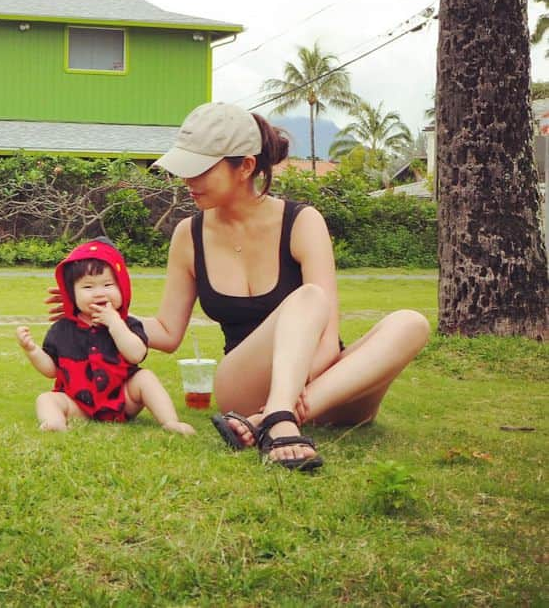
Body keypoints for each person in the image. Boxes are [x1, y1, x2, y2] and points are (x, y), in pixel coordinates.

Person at [49, 102, 429, 470]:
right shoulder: (189, 235)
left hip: (333, 387)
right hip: (244, 388)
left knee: (410, 322)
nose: (187, 182)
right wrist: (100, 311)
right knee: (310, 298)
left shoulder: (302, 222)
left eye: (199, 170)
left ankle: (269, 420)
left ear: (245, 166)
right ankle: (277, 419)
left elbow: (327, 342)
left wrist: (295, 389)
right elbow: (166, 333)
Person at [18, 238, 195, 435]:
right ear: (71, 294)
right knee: (46, 399)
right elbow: (51, 370)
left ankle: (170, 422)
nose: (99, 293)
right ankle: (56, 423)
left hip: (122, 400)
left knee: (145, 378)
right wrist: (32, 351)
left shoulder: (128, 324)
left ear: (123, 288)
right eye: (88, 287)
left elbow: (136, 355)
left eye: (108, 284)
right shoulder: (62, 329)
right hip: (79, 404)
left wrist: (114, 323)